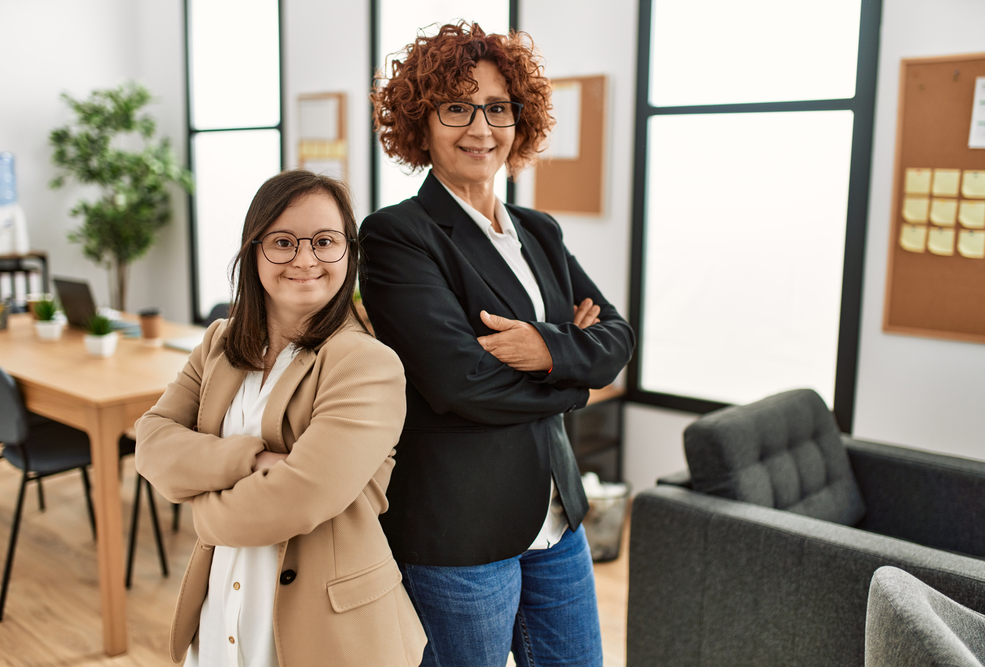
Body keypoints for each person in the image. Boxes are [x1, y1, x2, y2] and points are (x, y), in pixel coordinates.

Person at [360, 21, 635, 667]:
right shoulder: (399, 235)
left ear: (520, 120)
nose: (480, 127)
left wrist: (543, 348)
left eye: (497, 107)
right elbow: (458, 382)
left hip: (556, 515)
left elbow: (617, 337)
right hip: (460, 527)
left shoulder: (539, 231)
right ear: (420, 122)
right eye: (456, 107)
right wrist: (573, 374)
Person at [135, 171, 426, 667]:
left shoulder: (366, 363)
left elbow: (298, 499)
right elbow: (152, 443)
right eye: (283, 242)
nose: (305, 259)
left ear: (349, 254)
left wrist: (201, 508)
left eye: (325, 241)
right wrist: (250, 460)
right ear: (254, 252)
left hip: (331, 633)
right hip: (223, 611)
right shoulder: (220, 344)